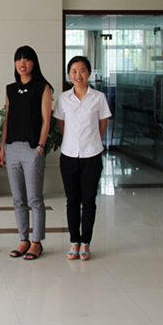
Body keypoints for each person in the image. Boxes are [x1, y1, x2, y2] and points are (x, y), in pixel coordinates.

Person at [0, 45, 53, 261]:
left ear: (34, 63)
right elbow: (7, 119)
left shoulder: (42, 87)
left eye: (27, 59)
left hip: (32, 149)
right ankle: (23, 240)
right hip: (12, 148)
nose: (22, 63)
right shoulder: (10, 89)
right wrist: (2, 146)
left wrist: (40, 146)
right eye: (18, 59)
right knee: (18, 199)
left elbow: (46, 120)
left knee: (35, 198)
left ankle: (37, 242)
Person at [53, 56, 111, 261]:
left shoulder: (99, 98)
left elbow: (103, 124)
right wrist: (72, 140)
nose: (78, 75)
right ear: (69, 74)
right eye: (74, 71)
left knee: (88, 201)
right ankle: (74, 241)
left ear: (89, 73)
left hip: (92, 155)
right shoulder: (63, 98)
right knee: (72, 201)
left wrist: (93, 140)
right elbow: (61, 124)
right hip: (69, 156)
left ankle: (86, 242)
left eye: (83, 71)